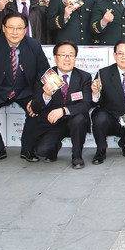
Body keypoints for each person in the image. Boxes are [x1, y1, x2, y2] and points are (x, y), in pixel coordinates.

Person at [0, 11, 51, 163]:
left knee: (36, 110)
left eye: (19, 28)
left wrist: (37, 98)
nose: (15, 32)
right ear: (3, 28)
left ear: (25, 30)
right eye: (11, 28)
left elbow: (43, 73)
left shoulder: (34, 45)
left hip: (24, 90)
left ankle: (28, 149)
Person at [29, 41, 93, 169]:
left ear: (75, 58)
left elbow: (86, 104)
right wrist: (46, 96)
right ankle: (54, 147)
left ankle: (77, 156)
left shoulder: (84, 77)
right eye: (63, 55)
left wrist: (64, 110)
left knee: (79, 119)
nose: (67, 59)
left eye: (71, 55)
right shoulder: (44, 77)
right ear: (55, 57)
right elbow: (35, 107)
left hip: (74, 120)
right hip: (52, 123)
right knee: (42, 151)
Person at [90, 40, 125, 164]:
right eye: (120, 53)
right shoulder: (103, 73)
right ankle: (100, 150)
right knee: (99, 118)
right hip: (109, 117)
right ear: (114, 55)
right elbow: (94, 103)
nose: (124, 57)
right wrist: (95, 93)